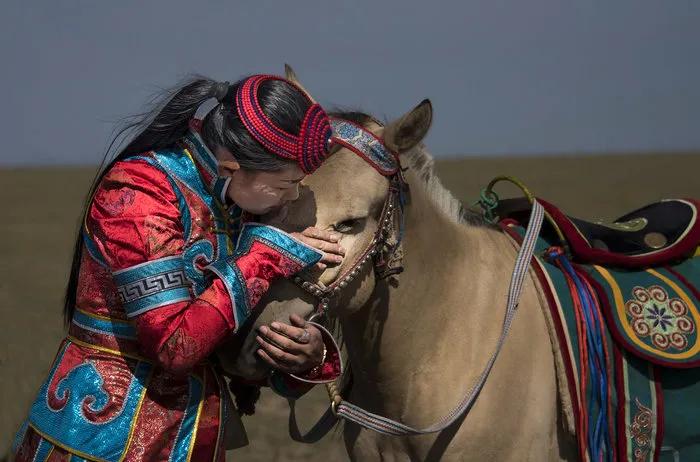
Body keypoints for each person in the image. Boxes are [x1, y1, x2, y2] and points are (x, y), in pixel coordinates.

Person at [12, 74, 344, 461]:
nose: (291, 197)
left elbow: (229, 341)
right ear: (231, 166)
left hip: (196, 434)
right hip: (101, 439)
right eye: (285, 183)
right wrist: (265, 254)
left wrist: (304, 354)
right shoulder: (137, 192)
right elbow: (175, 347)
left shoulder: (236, 201)